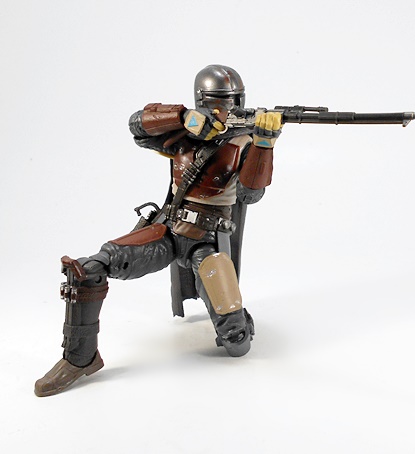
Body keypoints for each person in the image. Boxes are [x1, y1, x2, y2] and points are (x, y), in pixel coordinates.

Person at [34, 64, 282, 397]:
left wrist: (264, 144)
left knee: (237, 343)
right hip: (167, 231)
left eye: (232, 101)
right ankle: (80, 358)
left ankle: (237, 317)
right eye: (217, 102)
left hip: (206, 242)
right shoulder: (185, 133)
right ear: (201, 102)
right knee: (88, 269)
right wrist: (182, 117)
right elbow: (137, 126)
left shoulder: (246, 141)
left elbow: (251, 194)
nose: (226, 108)